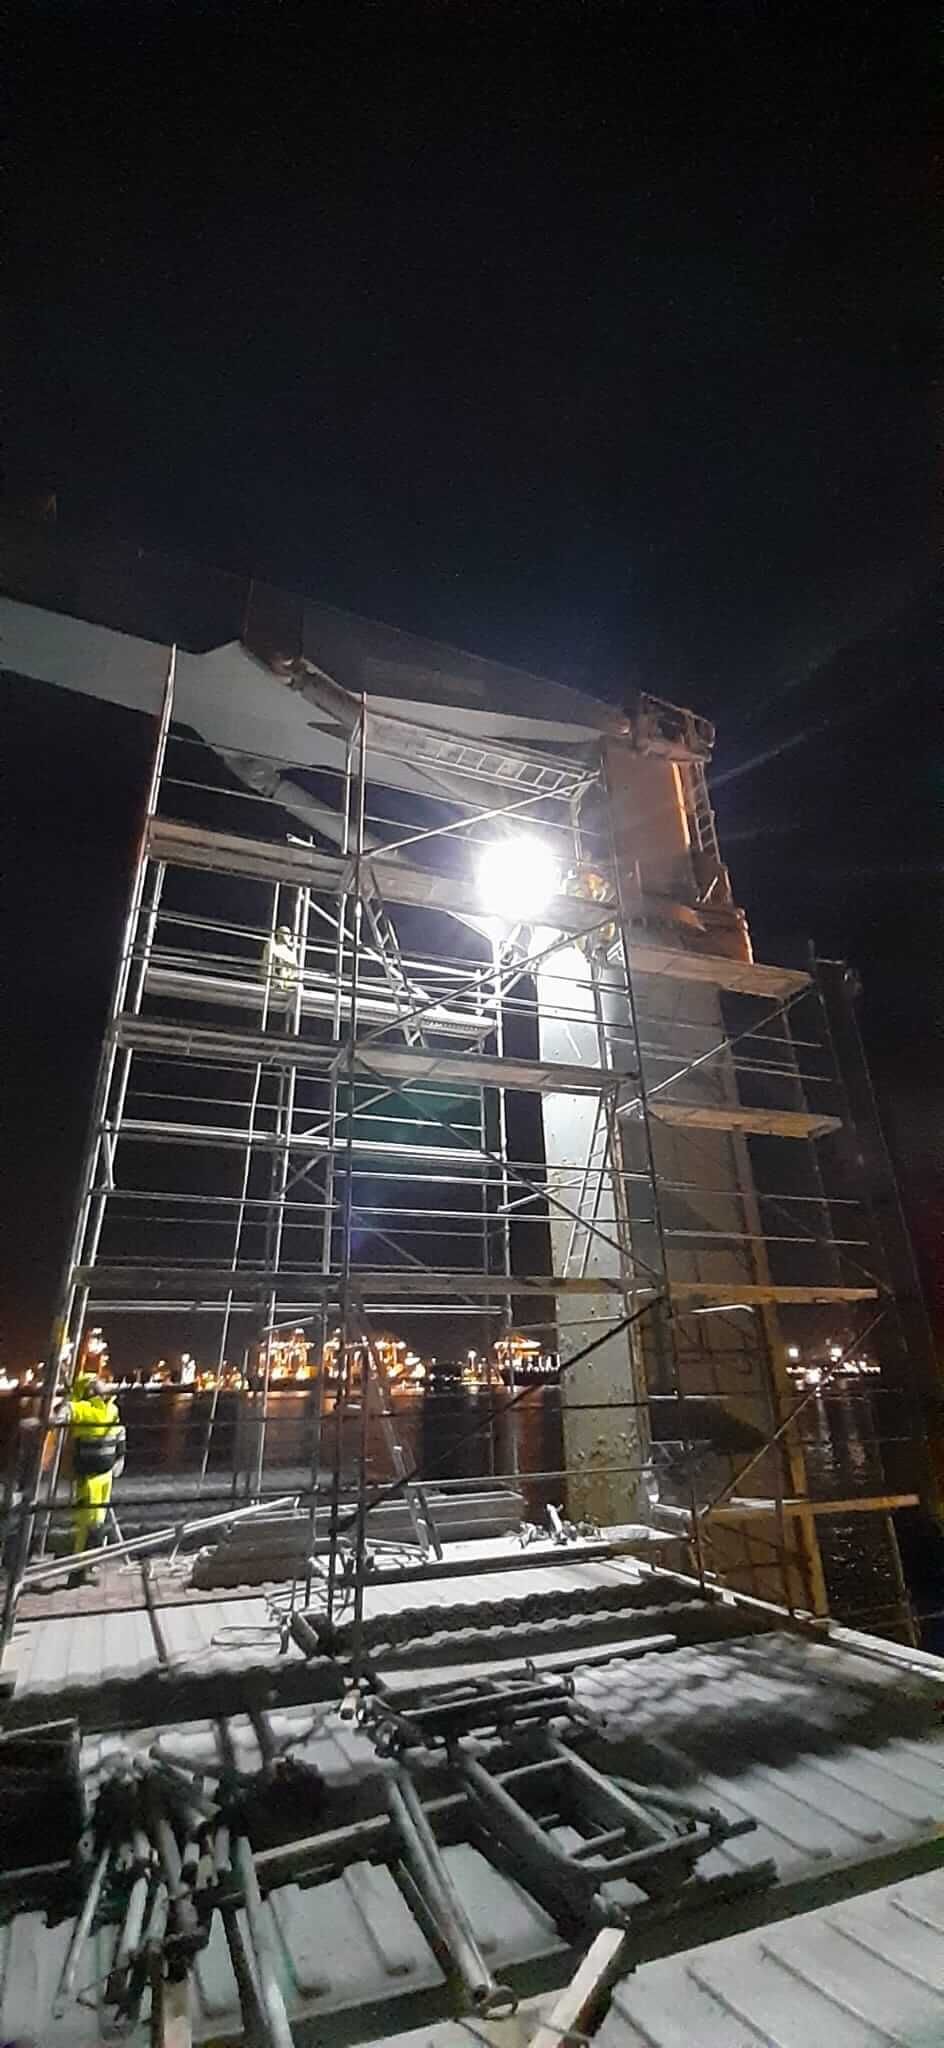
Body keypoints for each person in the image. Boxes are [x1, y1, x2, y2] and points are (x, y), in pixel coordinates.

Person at [56, 1373, 125, 1586]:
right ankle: (78, 1571)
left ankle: (89, 1563)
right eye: (96, 1384)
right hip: (89, 1477)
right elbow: (61, 1414)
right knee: (88, 1525)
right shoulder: (82, 1410)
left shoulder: (112, 1409)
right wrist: (67, 1402)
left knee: (98, 1522)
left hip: (106, 1475)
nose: (102, 1384)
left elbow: (119, 1431)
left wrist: (120, 1456)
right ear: (90, 1391)